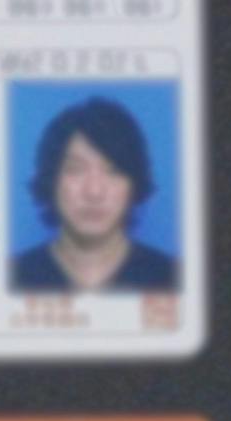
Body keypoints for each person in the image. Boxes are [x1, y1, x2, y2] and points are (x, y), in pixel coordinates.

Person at [9, 96, 179, 293]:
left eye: (114, 171)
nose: (94, 192)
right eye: (76, 169)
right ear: (51, 180)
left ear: (135, 184)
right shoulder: (11, 276)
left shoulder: (174, 278)